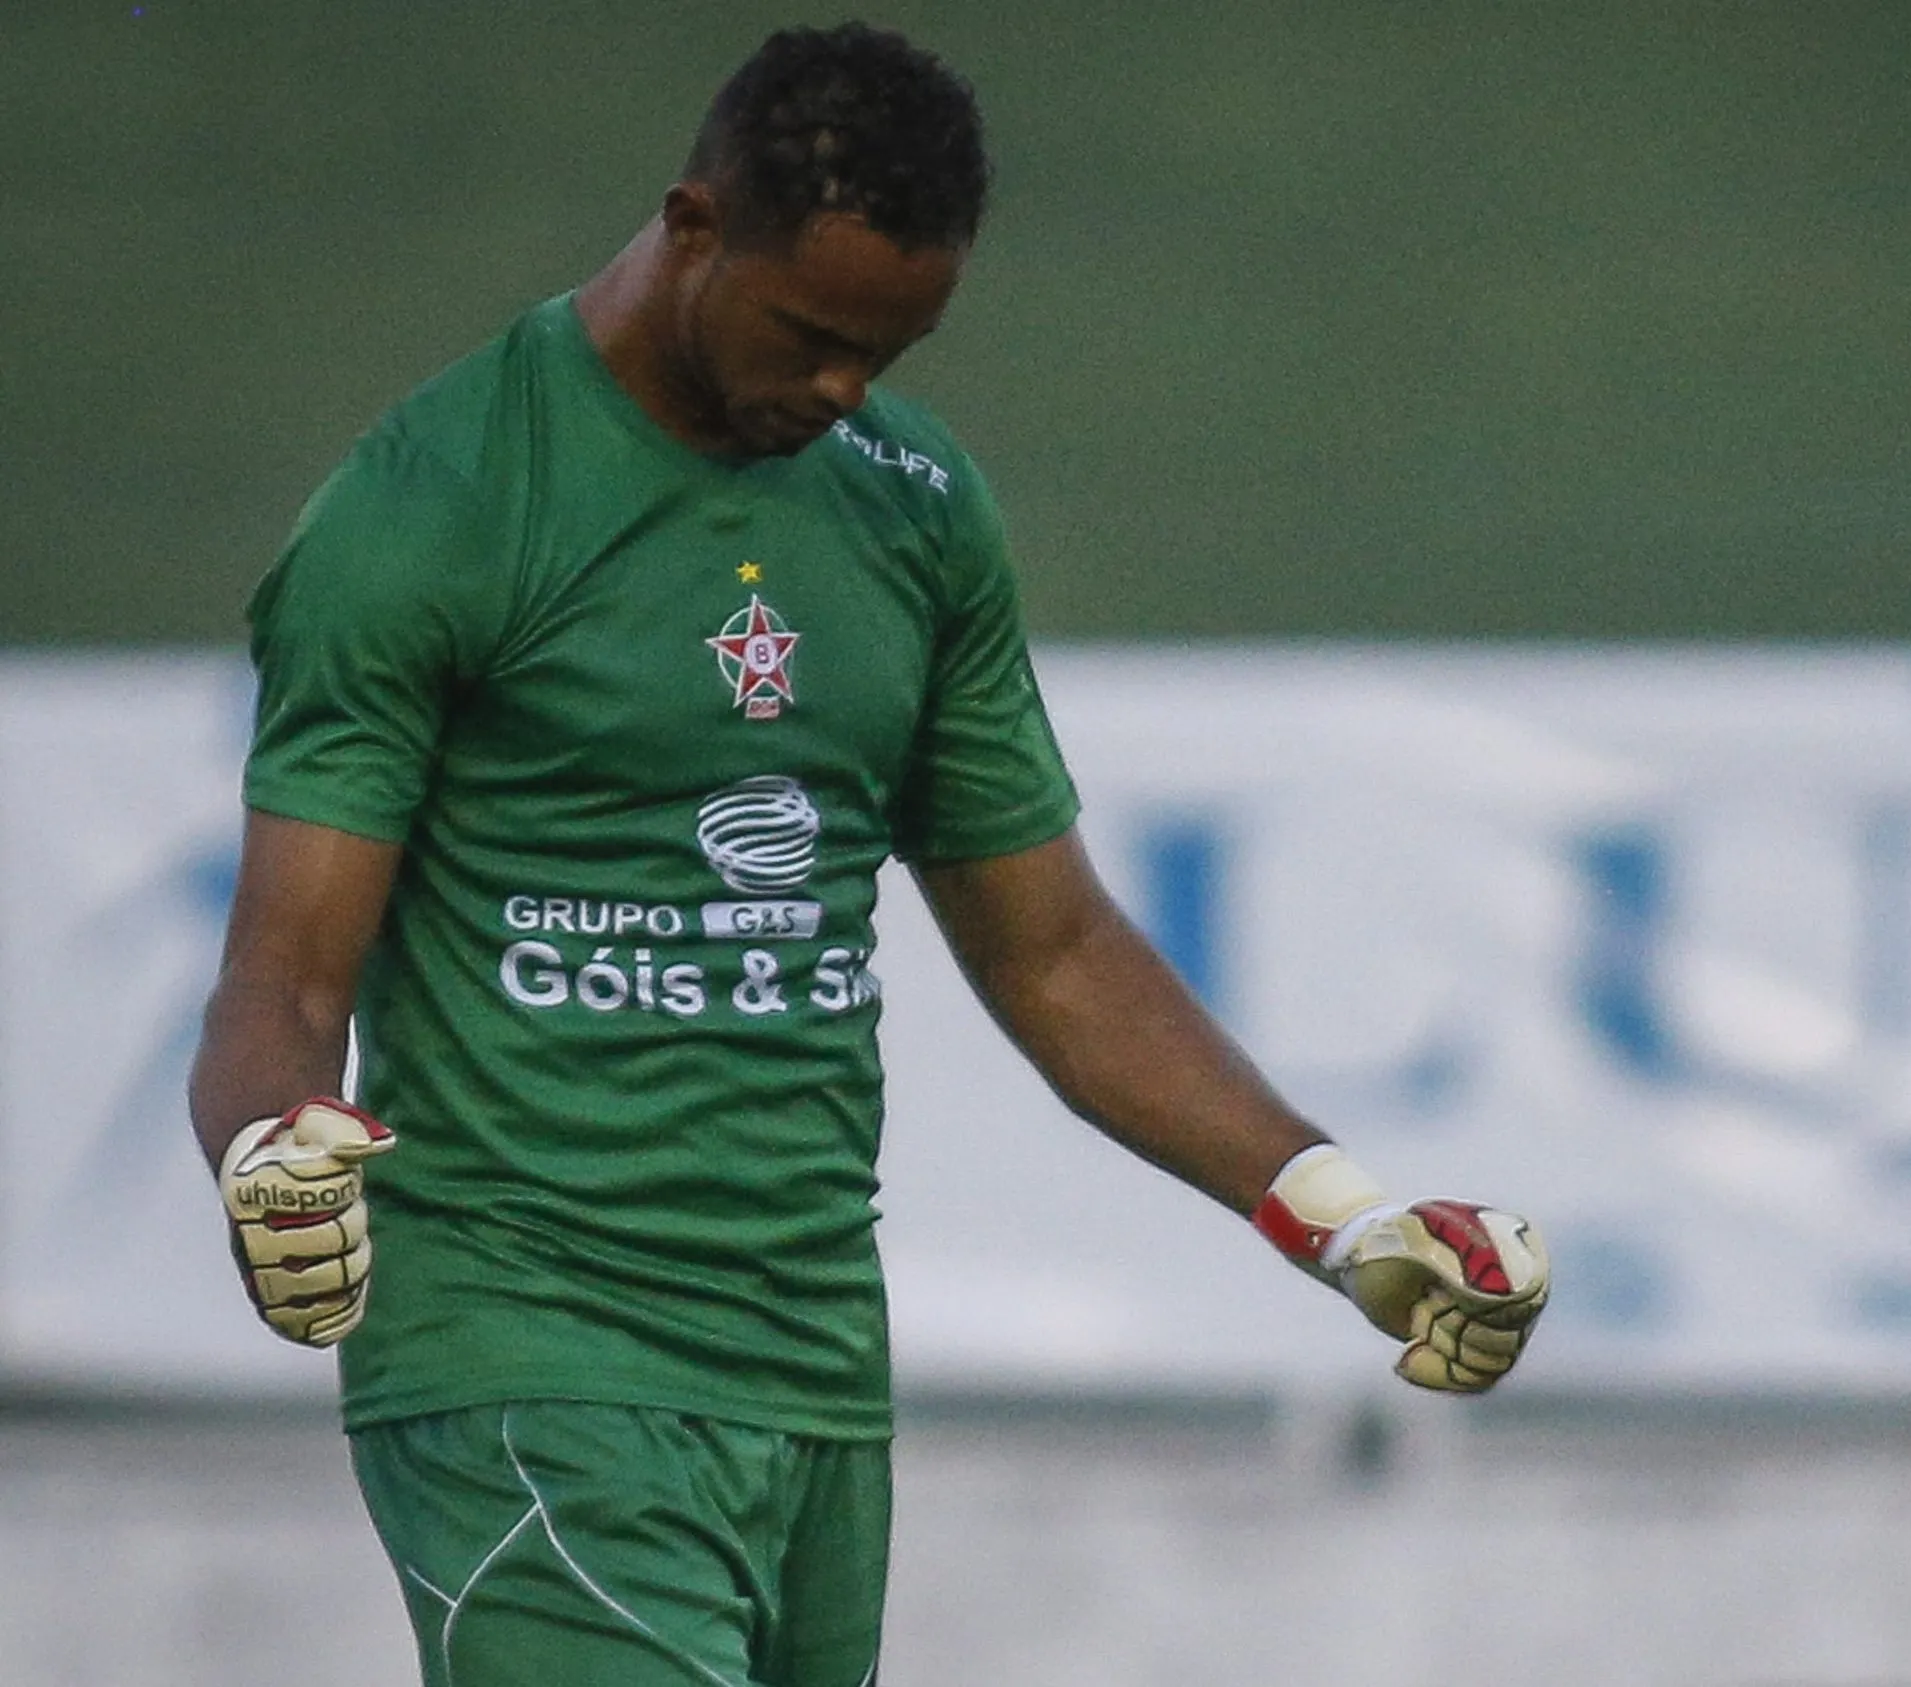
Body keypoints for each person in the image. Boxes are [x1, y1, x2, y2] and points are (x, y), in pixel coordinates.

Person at [186, 23, 1548, 1687]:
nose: (839, 389)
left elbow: (1053, 949)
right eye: (812, 333)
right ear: (694, 228)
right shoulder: (434, 507)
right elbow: (284, 966)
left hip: (812, 1365)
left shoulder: (910, 505)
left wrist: (1341, 1217)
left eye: (886, 352)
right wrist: (267, 1147)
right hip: (528, 1346)